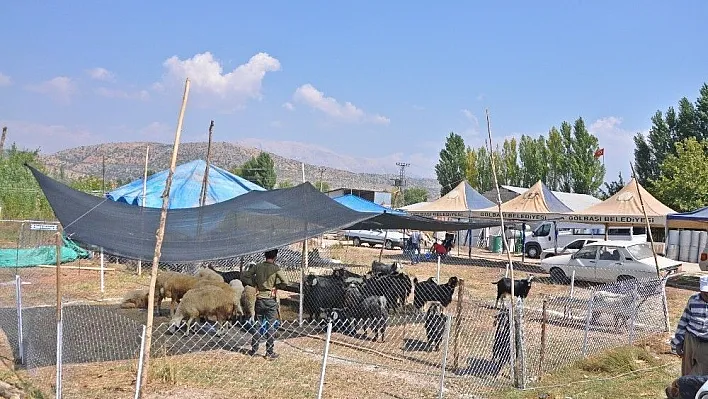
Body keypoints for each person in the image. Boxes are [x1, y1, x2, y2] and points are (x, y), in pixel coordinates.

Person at [242, 248, 289, 360]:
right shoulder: (275, 268)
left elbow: (245, 276)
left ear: (265, 256)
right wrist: (276, 286)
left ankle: (253, 350)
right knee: (271, 325)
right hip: (270, 300)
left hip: (259, 299)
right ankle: (269, 352)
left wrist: (254, 283)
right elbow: (285, 282)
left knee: (257, 324)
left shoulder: (257, 266)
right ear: (275, 257)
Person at [670, 275, 708, 376]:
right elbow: (684, 321)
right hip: (690, 340)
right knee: (687, 372)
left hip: (706, 343)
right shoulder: (693, 300)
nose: (707, 294)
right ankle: (685, 391)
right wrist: (677, 343)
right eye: (705, 292)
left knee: (702, 374)